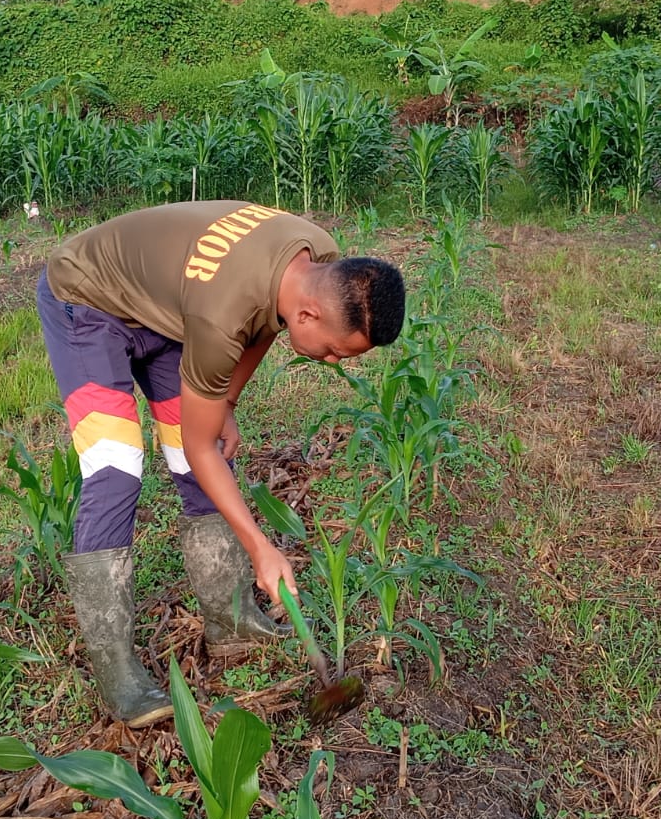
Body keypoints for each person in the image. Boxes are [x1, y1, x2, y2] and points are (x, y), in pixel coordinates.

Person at [36, 199, 405, 726]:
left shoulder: (316, 258)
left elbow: (263, 326)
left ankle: (229, 622)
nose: (331, 363)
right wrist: (261, 548)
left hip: (167, 306)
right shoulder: (219, 315)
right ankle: (117, 672)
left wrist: (225, 402)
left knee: (200, 463)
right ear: (310, 313)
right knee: (116, 469)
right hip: (88, 299)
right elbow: (203, 427)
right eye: (333, 352)